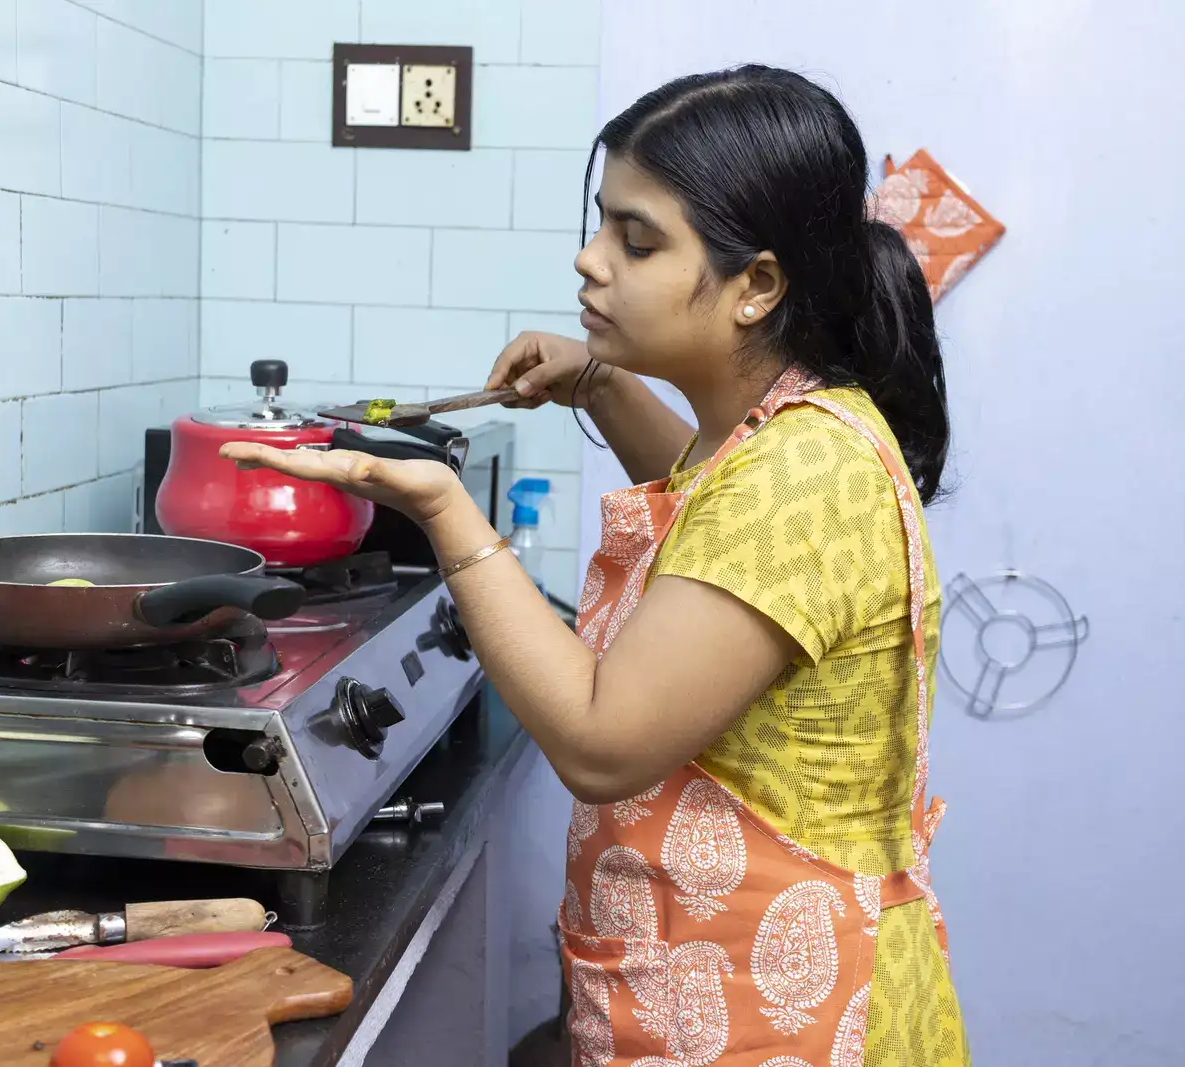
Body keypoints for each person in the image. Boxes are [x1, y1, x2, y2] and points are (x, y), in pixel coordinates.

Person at [224, 64, 968, 1067]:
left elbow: (601, 741)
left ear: (756, 286)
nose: (588, 259)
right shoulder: (785, 432)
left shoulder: (802, 475)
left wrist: (444, 509)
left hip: (788, 1018)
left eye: (636, 239)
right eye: (600, 224)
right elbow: (713, 522)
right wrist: (600, 384)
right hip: (727, 992)